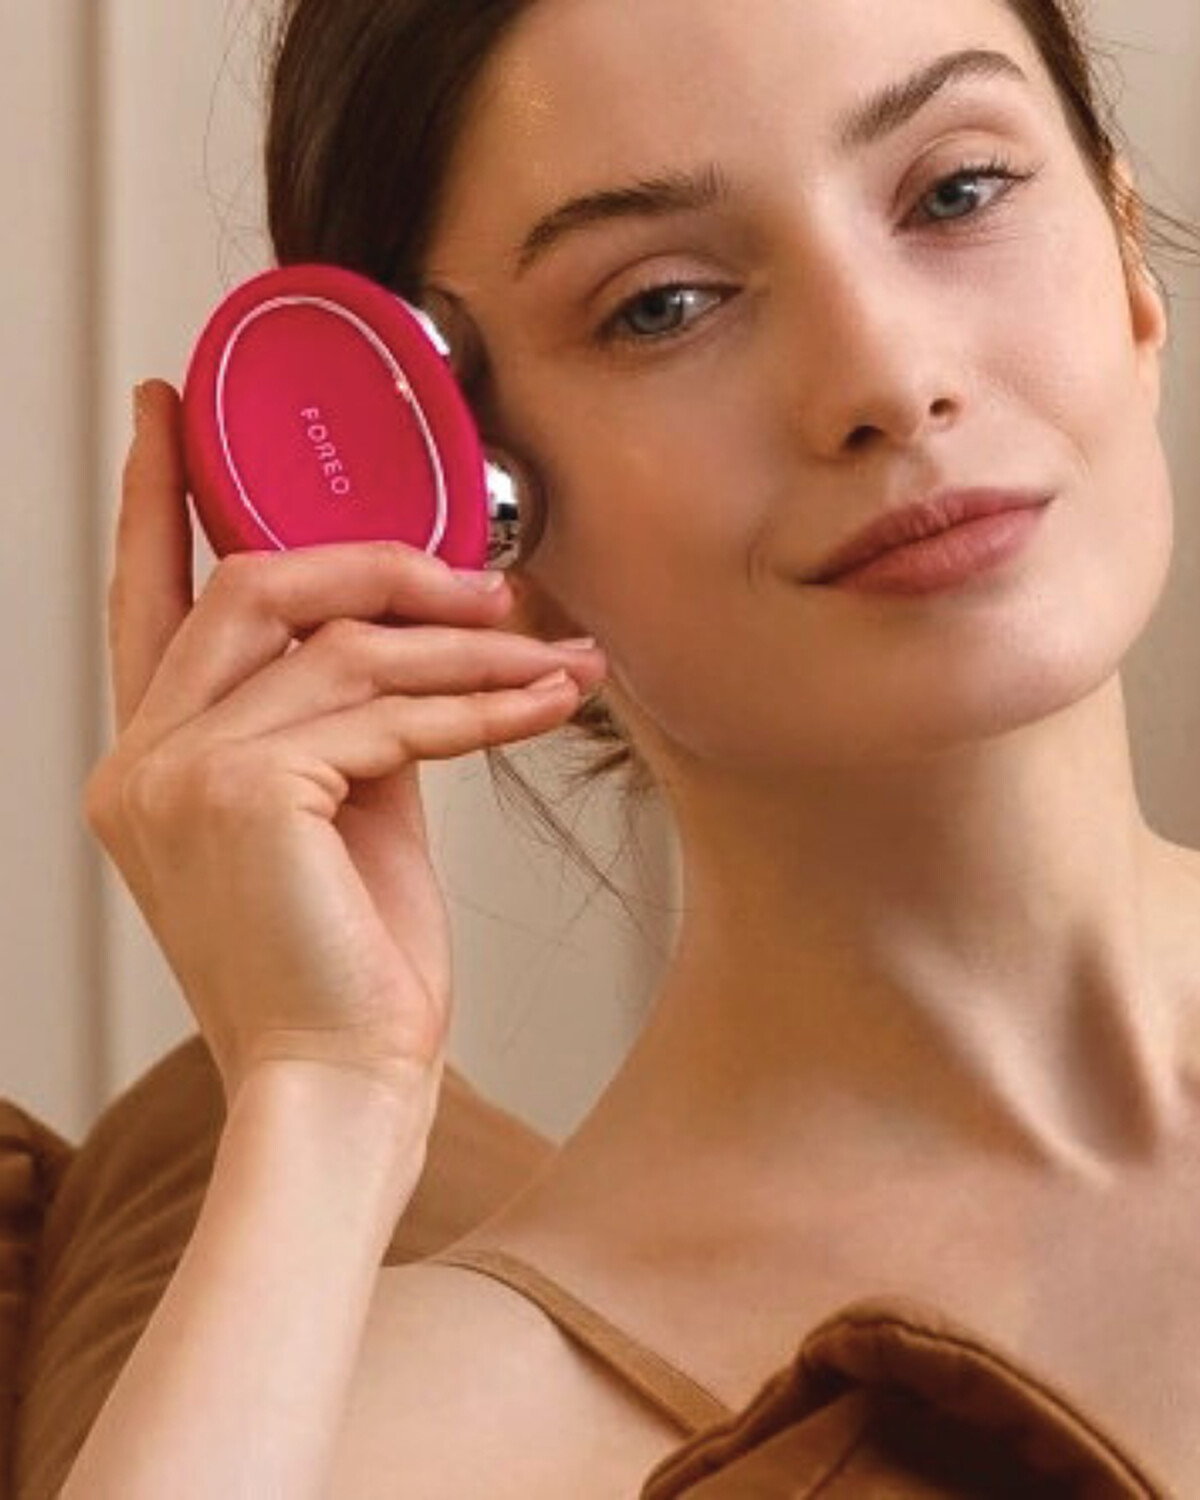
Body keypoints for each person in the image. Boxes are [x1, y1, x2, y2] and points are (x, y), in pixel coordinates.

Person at [64, 0, 1200, 1493]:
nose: (884, 376)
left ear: (1128, 269)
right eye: (663, 305)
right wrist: (321, 1088)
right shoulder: (426, 1430)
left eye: (957, 192)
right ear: (459, 506)